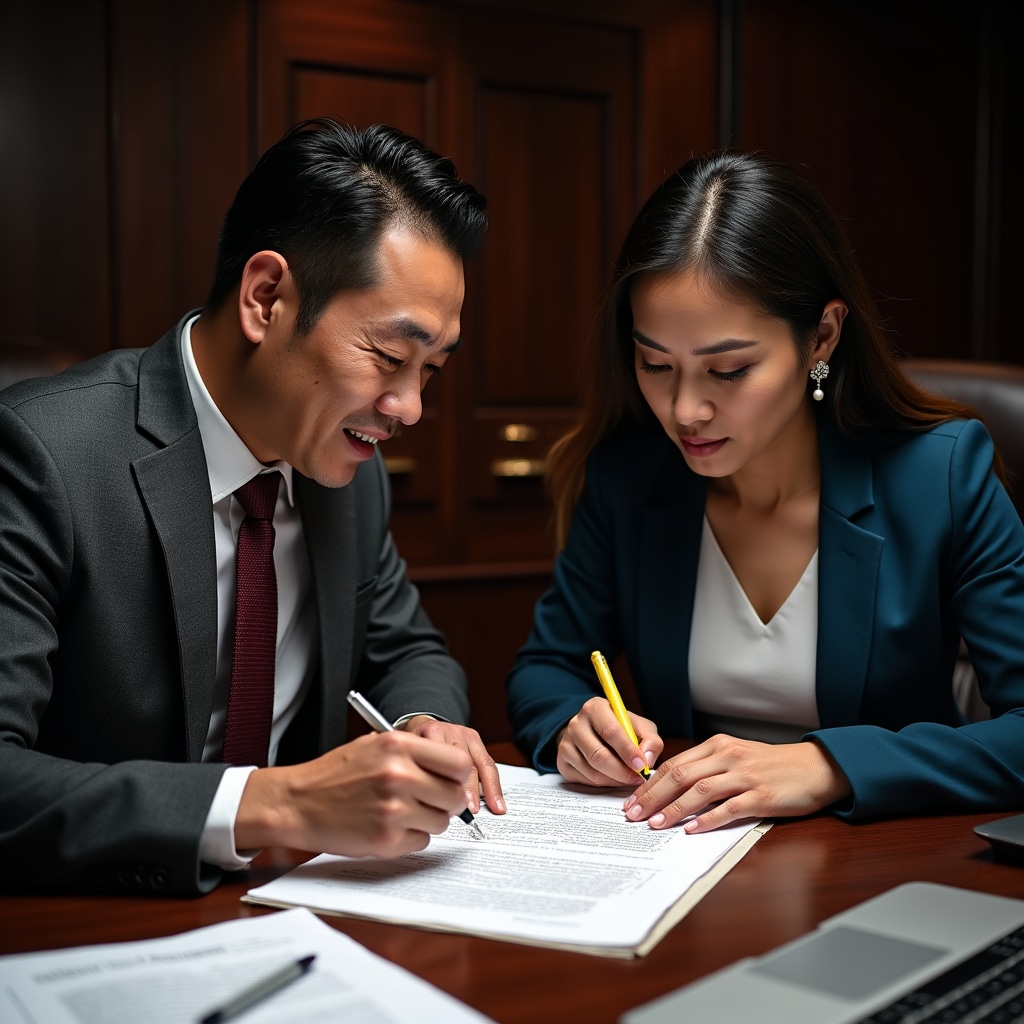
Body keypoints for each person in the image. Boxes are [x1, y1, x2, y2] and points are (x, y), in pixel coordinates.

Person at [0, 118, 506, 895]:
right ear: (266, 298)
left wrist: (420, 728)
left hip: (291, 907)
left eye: (431, 369)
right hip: (95, 913)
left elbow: (406, 650)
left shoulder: (350, 473)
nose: (408, 407)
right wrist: (277, 803)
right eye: (389, 357)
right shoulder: (43, 456)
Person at [507, 150, 1024, 835]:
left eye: (728, 370)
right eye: (655, 363)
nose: (686, 409)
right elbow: (545, 668)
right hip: (689, 851)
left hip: (880, 858)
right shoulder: (629, 479)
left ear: (822, 336)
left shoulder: (940, 477)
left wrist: (828, 765)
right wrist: (572, 725)